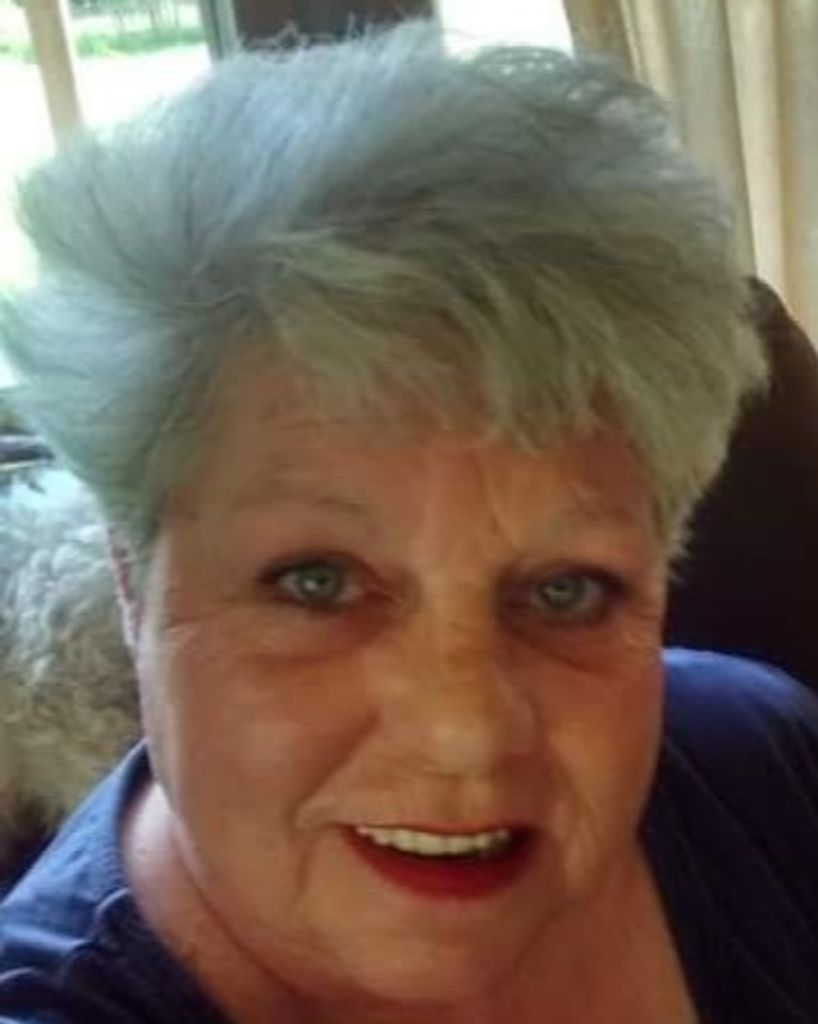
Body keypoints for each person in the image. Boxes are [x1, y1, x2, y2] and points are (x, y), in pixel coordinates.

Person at [1, 20, 816, 1024]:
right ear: (134, 575)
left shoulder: (755, 762)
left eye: (565, 590)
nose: (463, 733)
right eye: (317, 582)